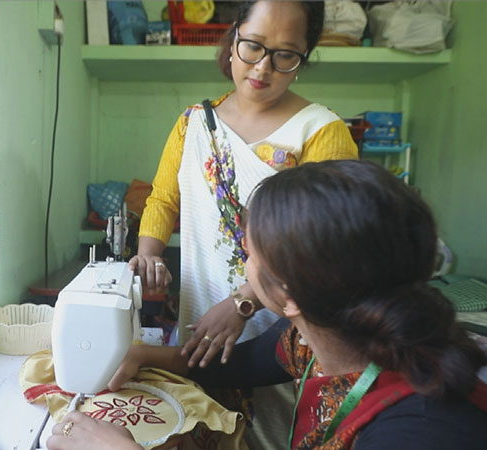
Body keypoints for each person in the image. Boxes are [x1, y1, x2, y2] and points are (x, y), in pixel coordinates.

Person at [48, 160, 487, 450]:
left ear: (288, 295)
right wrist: (147, 354)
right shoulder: (318, 338)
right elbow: (233, 364)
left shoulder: (418, 431)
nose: (245, 267)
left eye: (250, 256)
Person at [129, 1, 357, 447]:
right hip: (200, 315)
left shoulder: (321, 132)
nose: (264, 67)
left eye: (286, 55)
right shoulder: (195, 124)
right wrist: (147, 253)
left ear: (304, 58)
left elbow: (319, 245)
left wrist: (244, 303)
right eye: (253, 46)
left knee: (270, 431)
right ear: (233, 38)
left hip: (282, 329)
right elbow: (163, 197)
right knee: (203, 419)